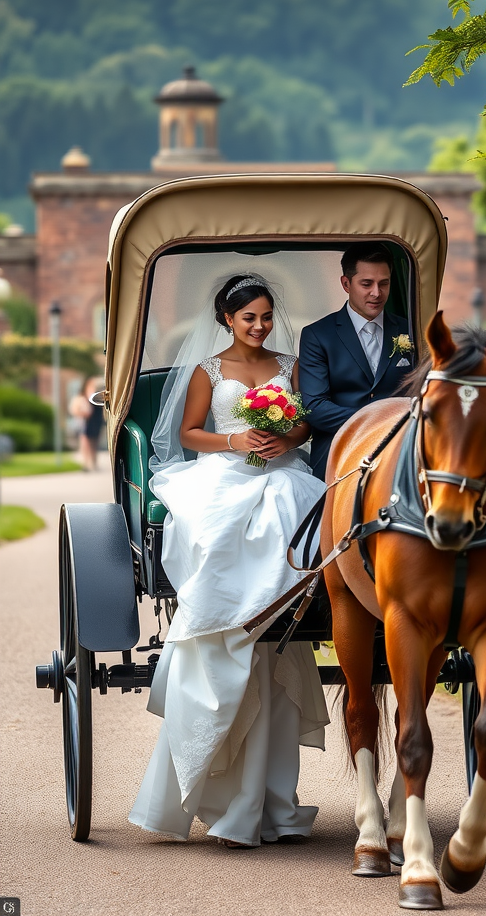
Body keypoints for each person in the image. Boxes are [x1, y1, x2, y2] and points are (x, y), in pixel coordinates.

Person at [129, 273, 329, 849]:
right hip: (222, 471)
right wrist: (237, 442)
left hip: (283, 470)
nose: (260, 327)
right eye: (249, 318)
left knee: (295, 510)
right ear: (226, 319)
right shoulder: (207, 371)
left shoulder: (290, 365)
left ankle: (282, 611)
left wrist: (285, 439)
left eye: (266, 316)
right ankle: (222, 620)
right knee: (221, 527)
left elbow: (304, 423)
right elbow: (191, 434)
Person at [299, 243, 413, 480]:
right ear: (346, 284)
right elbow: (315, 407)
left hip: (403, 444)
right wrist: (378, 422)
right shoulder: (318, 335)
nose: (376, 293)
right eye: (366, 284)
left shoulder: (410, 329)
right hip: (340, 444)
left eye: (384, 283)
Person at [68, 375, 104, 471]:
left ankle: (92, 463)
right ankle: (87, 464)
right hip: (84, 423)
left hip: (94, 421)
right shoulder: (82, 398)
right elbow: (74, 409)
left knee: (93, 443)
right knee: (85, 443)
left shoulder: (97, 396)